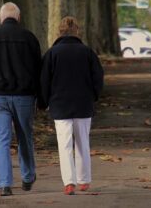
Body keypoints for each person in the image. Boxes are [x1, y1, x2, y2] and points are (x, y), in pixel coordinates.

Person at [0, 2, 41, 196]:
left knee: (1, 139)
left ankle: (4, 184)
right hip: (24, 96)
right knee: (24, 137)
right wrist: (39, 94)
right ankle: (28, 177)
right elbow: (38, 68)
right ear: (18, 18)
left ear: (0, 17)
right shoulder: (29, 38)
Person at [39, 16, 104, 195]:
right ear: (77, 31)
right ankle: (84, 180)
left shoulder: (52, 54)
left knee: (64, 145)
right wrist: (94, 96)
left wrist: (43, 102)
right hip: (83, 104)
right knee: (83, 143)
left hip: (60, 105)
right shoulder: (88, 52)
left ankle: (69, 182)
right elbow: (98, 78)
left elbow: (44, 81)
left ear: (59, 32)